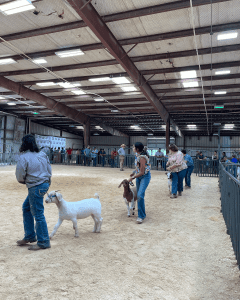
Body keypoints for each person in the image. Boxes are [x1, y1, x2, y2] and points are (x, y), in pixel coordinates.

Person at [15, 134, 51, 251]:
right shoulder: (42, 154)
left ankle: (44, 241)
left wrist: (24, 181)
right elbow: (49, 170)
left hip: (35, 186)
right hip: (44, 184)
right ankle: (30, 236)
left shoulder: (24, 157)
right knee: (27, 207)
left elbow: (20, 175)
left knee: (38, 214)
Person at [128, 142, 151, 224]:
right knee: (140, 195)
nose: (133, 148)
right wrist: (134, 172)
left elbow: (142, 172)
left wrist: (132, 178)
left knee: (140, 195)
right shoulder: (137, 155)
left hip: (144, 177)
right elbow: (138, 168)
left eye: (134, 147)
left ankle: (141, 216)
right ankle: (142, 213)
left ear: (137, 149)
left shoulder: (142, 157)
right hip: (139, 177)